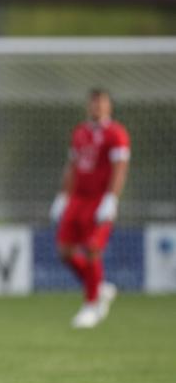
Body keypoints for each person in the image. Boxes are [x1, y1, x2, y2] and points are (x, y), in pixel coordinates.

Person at [50, 88, 130, 329]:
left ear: (109, 107)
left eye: (101, 104)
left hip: (99, 200)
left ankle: (92, 305)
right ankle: (99, 287)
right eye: (93, 103)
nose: (96, 107)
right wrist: (63, 196)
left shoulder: (116, 134)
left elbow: (120, 168)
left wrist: (111, 199)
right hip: (77, 199)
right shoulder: (80, 132)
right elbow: (72, 166)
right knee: (64, 252)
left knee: (93, 248)